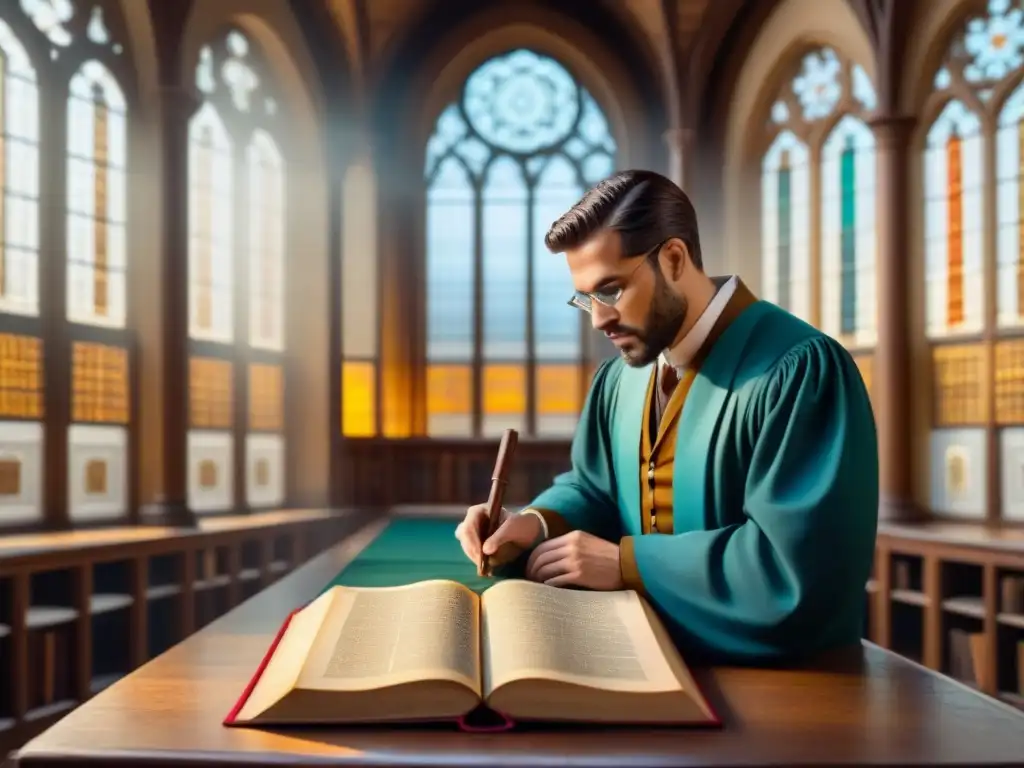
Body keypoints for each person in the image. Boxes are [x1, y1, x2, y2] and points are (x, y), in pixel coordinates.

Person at [455, 169, 879, 664]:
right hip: (637, 660)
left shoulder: (798, 369)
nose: (599, 319)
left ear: (674, 258)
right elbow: (596, 490)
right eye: (585, 298)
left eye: (611, 291)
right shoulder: (620, 380)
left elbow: (797, 570)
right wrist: (534, 525)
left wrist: (628, 565)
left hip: (782, 686)